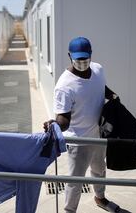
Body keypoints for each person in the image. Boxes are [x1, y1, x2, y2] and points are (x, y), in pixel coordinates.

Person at [43, 37, 120, 213]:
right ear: (69, 56)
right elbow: (63, 120)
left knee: (99, 171)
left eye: (85, 58)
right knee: (75, 181)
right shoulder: (64, 86)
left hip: (98, 136)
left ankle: (100, 198)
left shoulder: (99, 70)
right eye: (78, 58)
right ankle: (70, 210)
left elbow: (100, 87)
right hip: (78, 142)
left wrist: (113, 96)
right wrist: (54, 124)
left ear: (91, 55)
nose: (82, 62)